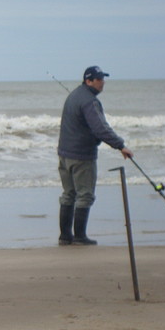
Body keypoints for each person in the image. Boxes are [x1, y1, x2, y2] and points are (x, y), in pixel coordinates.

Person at [57, 66, 133, 246]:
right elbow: (100, 128)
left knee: (69, 194)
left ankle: (65, 237)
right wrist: (120, 145)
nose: (102, 82)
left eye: (103, 79)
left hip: (64, 154)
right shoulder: (90, 102)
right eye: (99, 79)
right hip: (81, 156)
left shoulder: (74, 95)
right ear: (88, 81)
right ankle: (80, 237)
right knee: (85, 195)